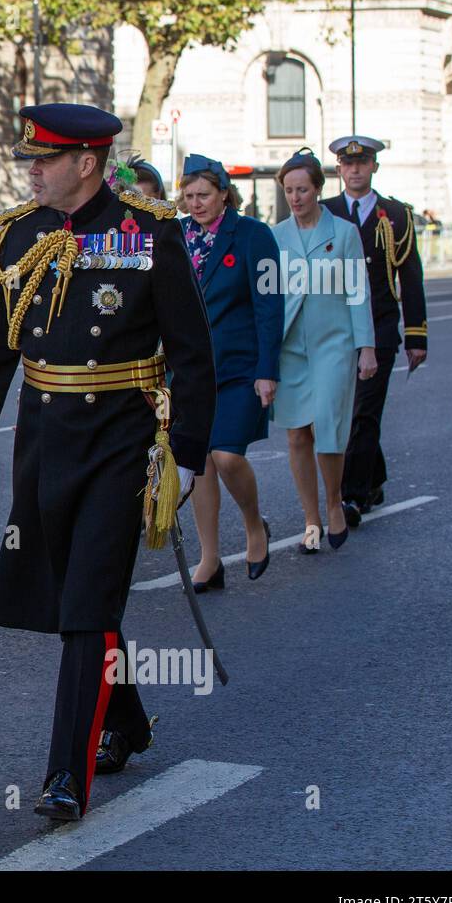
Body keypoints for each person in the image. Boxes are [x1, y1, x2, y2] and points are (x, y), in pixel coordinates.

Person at [0, 104, 216, 821]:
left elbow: (191, 352)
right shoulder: (20, 234)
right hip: (43, 434)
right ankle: (126, 719)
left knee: (87, 605)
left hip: (121, 437)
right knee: (74, 594)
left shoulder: (148, 231)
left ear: (87, 164)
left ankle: (66, 774)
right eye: (30, 160)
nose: (31, 171)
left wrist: (187, 452)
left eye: (44, 160)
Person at [177, 154, 283, 590]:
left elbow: (269, 306)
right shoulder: (177, 234)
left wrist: (267, 370)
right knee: (198, 462)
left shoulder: (255, 236)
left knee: (226, 454)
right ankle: (211, 558)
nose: (196, 203)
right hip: (189, 370)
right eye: (188, 196)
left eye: (204, 195)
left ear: (224, 193)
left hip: (240, 367)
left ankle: (255, 525)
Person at [271, 149, 376, 552]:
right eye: (289, 190)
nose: (295, 198)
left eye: (302, 189)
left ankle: (334, 502)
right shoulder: (277, 235)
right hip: (290, 347)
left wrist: (366, 347)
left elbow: (357, 292)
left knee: (329, 428)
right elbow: (268, 296)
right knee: (297, 433)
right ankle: (311, 519)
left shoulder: (345, 233)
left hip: (334, 343)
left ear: (318, 189)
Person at [319, 135, 427, 524]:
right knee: (340, 412)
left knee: (364, 412)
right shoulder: (324, 211)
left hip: (378, 329)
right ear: (338, 170)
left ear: (374, 168)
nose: (355, 170)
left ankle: (352, 496)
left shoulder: (395, 214)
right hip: (333, 328)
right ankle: (374, 475)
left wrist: (416, 336)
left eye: (362, 163)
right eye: (348, 165)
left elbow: (409, 277)